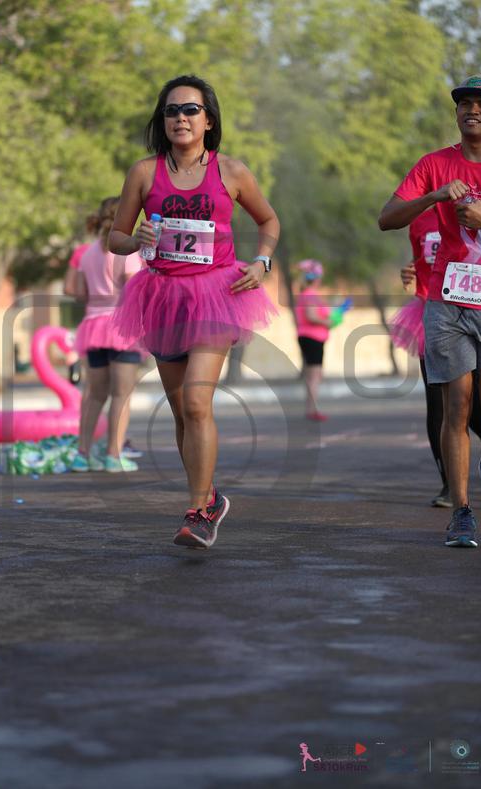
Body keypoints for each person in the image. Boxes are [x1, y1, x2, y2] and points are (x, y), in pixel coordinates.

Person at [109, 74, 279, 548]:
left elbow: (268, 220)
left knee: (197, 402)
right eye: (171, 111)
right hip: (162, 296)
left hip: (216, 293)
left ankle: (198, 511)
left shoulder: (232, 171)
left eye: (190, 110)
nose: (180, 118)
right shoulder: (144, 173)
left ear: (208, 120)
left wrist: (262, 262)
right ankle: (210, 498)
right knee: (182, 412)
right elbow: (115, 237)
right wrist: (135, 239)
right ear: (162, 120)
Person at [379, 74, 481, 548]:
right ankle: (461, 511)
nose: (473, 110)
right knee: (456, 405)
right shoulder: (434, 164)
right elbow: (387, 218)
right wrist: (432, 195)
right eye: (465, 103)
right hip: (446, 300)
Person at [389, 208, 481, 508]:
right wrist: (411, 271)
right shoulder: (419, 219)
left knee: (480, 405)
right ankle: (449, 485)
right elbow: (422, 259)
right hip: (433, 313)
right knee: (439, 405)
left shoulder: (479, 204)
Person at [70, 196, 143, 473]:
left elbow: (80, 294)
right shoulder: (127, 252)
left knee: (94, 395)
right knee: (121, 395)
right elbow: (134, 290)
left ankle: (82, 454)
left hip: (93, 327)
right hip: (121, 327)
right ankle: (113, 455)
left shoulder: (87, 253)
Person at [294, 260, 333, 421]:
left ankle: (310, 408)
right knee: (315, 376)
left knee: (312, 375)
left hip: (310, 337)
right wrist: (327, 322)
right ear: (316, 278)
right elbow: (311, 316)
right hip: (312, 338)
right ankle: (313, 409)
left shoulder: (307, 294)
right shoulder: (310, 295)